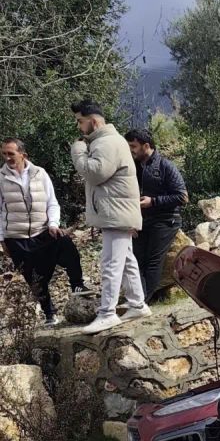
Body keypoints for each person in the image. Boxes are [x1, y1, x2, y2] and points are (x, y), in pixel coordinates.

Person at [70, 100, 149, 335]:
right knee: (125, 260)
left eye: (80, 121)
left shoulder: (107, 142)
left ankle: (107, 313)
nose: (79, 127)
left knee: (110, 263)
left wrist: (77, 151)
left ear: (93, 121)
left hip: (116, 213)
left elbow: (95, 173)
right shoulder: (109, 141)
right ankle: (138, 304)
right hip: (117, 211)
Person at [0, 137, 86, 326]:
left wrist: (54, 223)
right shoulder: (0, 178)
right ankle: (49, 314)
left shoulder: (40, 173)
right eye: (4, 153)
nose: (7, 158)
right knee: (35, 279)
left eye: (11, 154)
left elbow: (52, 202)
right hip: (17, 237)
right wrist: (2, 240)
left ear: (23, 155)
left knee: (68, 248)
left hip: (43, 231)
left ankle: (78, 289)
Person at [125, 129, 188, 302]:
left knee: (153, 261)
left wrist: (153, 201)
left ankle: (142, 301)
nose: (130, 150)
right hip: (140, 221)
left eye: (133, 146)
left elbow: (182, 197)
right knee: (136, 261)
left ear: (146, 146)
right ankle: (140, 300)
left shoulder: (165, 166)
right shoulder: (132, 167)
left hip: (165, 219)